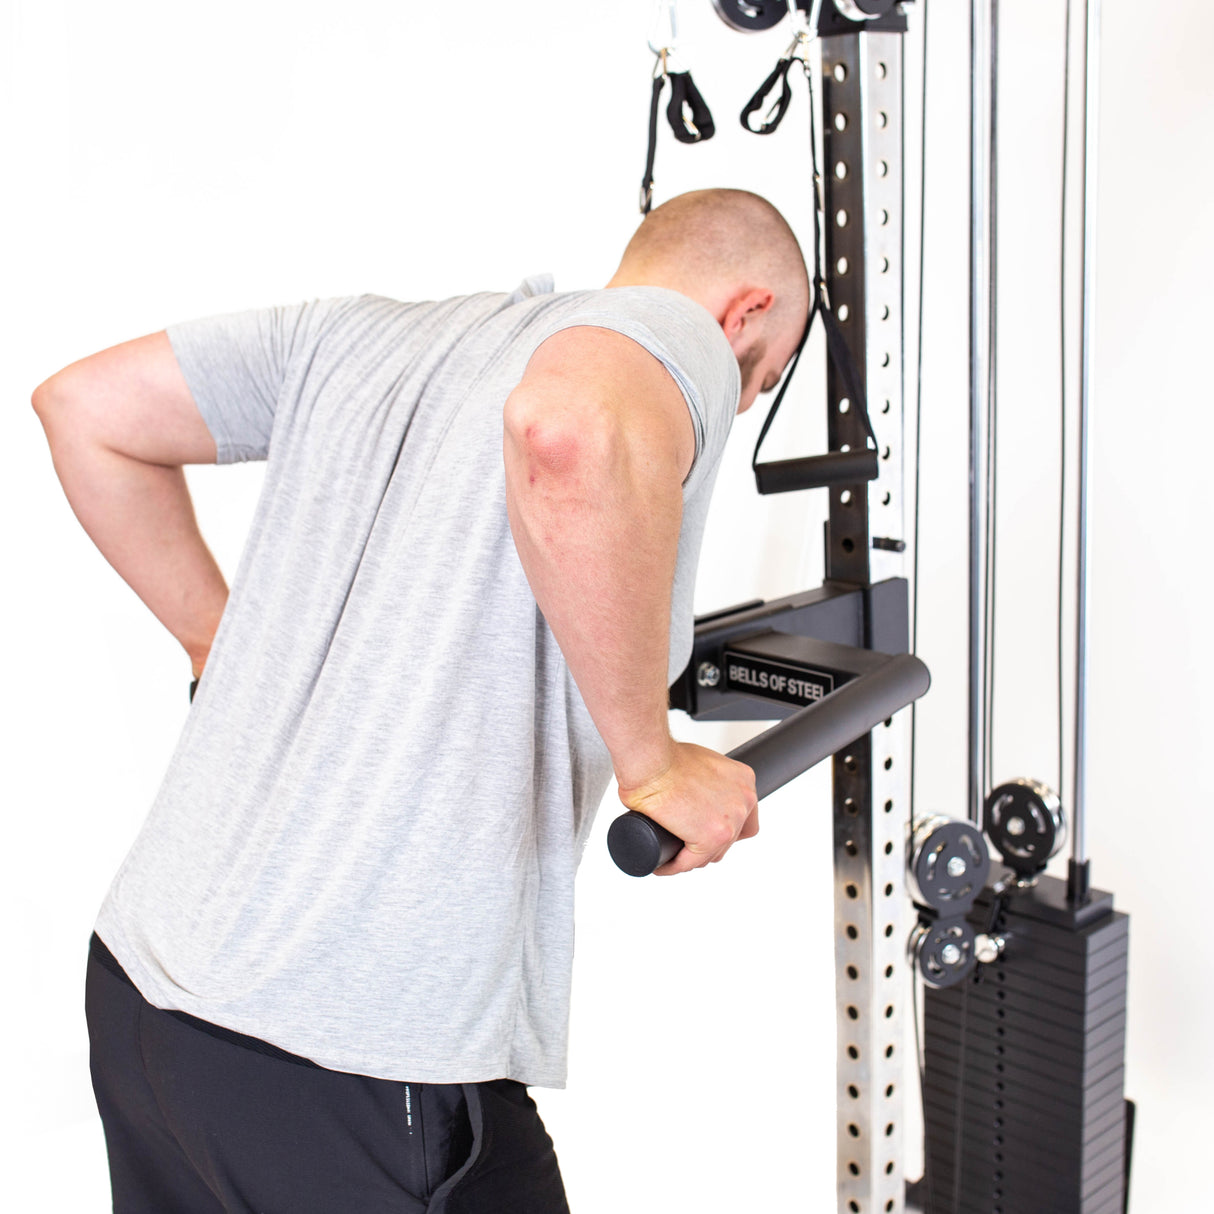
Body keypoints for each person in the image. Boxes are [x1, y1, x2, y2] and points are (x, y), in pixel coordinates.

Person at [32, 187, 809, 1214]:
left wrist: (212, 637)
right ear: (744, 311)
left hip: (144, 998)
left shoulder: (357, 336)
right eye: (758, 375)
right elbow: (567, 429)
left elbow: (85, 408)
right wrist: (650, 759)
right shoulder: (673, 329)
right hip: (344, 1049)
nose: (738, 397)